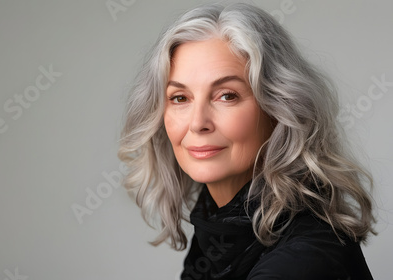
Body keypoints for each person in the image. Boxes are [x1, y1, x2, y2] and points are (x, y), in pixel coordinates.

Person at [118, 2, 376, 279]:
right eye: (180, 98)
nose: (197, 123)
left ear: (277, 109)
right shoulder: (218, 233)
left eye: (226, 95)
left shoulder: (302, 262)